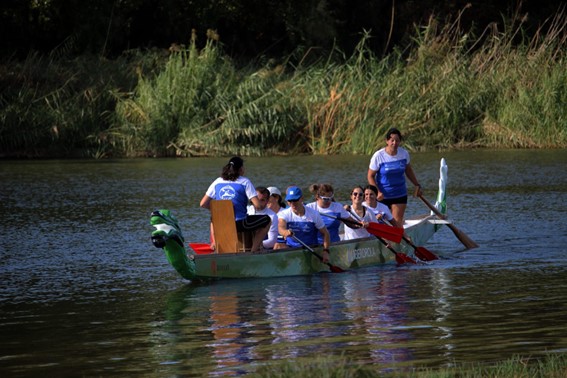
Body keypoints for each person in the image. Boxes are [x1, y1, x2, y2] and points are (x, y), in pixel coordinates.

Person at [200, 156, 270, 252]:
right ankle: (254, 251)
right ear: (240, 169)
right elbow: (258, 206)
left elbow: (203, 204)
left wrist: (219, 210)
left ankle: (215, 244)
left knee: (214, 217)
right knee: (267, 220)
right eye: (243, 167)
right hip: (239, 224)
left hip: (221, 224)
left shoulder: (217, 181)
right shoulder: (245, 182)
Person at [367, 128, 422, 227]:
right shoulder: (378, 156)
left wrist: (416, 184)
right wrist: (377, 192)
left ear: (400, 141)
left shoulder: (404, 154)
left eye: (397, 140)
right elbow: (370, 176)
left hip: (399, 194)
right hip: (383, 195)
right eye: (392, 140)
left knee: (397, 222)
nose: (394, 143)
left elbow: (408, 170)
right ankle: (383, 241)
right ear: (387, 141)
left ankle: (396, 239)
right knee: (381, 222)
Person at [275, 186, 331, 263]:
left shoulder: (313, 214)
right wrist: (285, 232)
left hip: (310, 248)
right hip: (292, 249)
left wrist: (326, 251)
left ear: (302, 198)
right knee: (278, 246)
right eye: (289, 201)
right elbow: (281, 228)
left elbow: (325, 233)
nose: (292, 204)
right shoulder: (284, 214)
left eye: (295, 200)